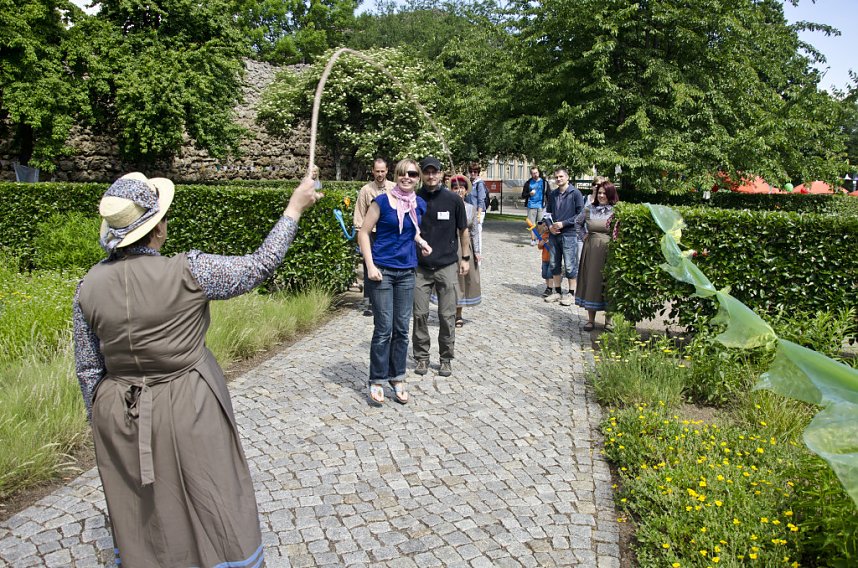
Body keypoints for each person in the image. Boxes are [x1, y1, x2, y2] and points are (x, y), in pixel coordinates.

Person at [73, 172, 321, 568]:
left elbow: (88, 369)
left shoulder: (87, 285)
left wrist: (102, 422)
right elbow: (261, 264)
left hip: (119, 411)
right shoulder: (190, 270)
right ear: (156, 232)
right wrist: (294, 209)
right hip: (189, 400)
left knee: (146, 507)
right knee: (213, 494)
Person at [358, 159, 431, 405]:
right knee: (383, 329)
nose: (407, 177)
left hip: (407, 272)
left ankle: (397, 376)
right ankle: (377, 379)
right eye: (402, 173)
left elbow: (412, 230)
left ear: (417, 178)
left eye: (412, 174)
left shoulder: (418, 204)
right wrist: (370, 266)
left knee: (401, 329)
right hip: (383, 271)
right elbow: (364, 232)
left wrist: (421, 242)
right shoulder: (382, 202)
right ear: (396, 176)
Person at [413, 156, 470, 377]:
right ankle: (421, 357)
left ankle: (446, 358)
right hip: (420, 267)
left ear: (440, 174)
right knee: (419, 314)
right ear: (422, 174)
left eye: (434, 172)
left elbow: (463, 230)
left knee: (447, 316)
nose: (430, 176)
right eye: (426, 172)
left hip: (446, 265)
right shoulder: (414, 198)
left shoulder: (453, 200)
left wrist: (465, 258)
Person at [575, 180, 619, 331]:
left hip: (610, 250)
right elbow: (577, 223)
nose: (601, 195)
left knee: (609, 283)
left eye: (604, 193)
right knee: (592, 282)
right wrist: (583, 236)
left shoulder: (616, 211)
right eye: (599, 192)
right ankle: (590, 320)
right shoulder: (589, 209)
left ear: (610, 194)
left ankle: (609, 321)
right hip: (592, 250)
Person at [438, 174, 481, 327]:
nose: (458, 191)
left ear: (466, 191)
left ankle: (458, 314)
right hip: (449, 245)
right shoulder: (446, 206)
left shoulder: (470, 208)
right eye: (455, 188)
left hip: (464, 247)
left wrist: (476, 251)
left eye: (461, 188)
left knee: (462, 281)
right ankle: (445, 311)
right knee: (447, 279)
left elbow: (474, 231)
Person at [355, 158, 396, 316]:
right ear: (372, 171)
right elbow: (359, 214)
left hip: (390, 233)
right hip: (372, 233)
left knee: (389, 265)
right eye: (377, 171)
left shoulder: (394, 188)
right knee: (370, 265)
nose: (380, 174)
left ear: (387, 170)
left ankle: (389, 298)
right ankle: (371, 302)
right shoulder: (366, 190)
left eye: (382, 171)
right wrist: (360, 237)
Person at [544, 167, 584, 306]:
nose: (558, 179)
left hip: (569, 234)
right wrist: (550, 226)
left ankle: (571, 293)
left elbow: (580, 214)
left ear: (567, 177)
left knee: (570, 265)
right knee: (554, 264)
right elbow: (547, 214)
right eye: (556, 177)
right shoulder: (553, 194)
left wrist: (564, 223)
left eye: (561, 176)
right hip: (554, 235)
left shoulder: (575, 193)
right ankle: (557, 291)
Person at [521, 167, 548, 244]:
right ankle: (533, 240)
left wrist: (549, 204)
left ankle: (539, 238)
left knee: (541, 224)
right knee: (532, 224)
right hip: (531, 206)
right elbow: (523, 195)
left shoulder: (544, 182)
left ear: (538, 173)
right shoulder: (528, 183)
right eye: (533, 173)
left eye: (536, 173)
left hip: (541, 206)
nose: (535, 174)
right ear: (531, 174)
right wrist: (529, 194)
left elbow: (548, 193)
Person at [467, 162, 487, 255]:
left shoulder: (480, 184)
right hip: (470, 211)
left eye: (475, 171)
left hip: (478, 212)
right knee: (469, 234)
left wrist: (479, 215)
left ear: (478, 172)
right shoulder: (469, 183)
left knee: (477, 234)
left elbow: (481, 200)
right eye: (471, 171)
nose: (473, 173)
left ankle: (478, 255)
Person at [536, 220, 552, 297]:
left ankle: (549, 288)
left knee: (550, 274)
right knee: (544, 274)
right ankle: (548, 286)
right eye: (544, 226)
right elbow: (539, 247)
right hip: (544, 258)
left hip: (552, 258)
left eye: (547, 226)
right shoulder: (543, 235)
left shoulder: (553, 236)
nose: (545, 227)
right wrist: (541, 244)